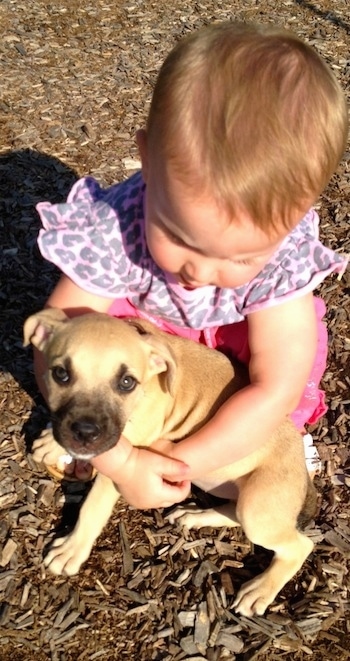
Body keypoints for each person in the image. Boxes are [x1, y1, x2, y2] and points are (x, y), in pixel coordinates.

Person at [33, 21, 348, 508]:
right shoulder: (116, 224)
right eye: (179, 237)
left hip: (234, 331)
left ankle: (267, 449)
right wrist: (112, 454)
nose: (199, 273)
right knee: (93, 339)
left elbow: (272, 389)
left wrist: (178, 463)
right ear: (147, 163)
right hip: (145, 323)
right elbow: (58, 337)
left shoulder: (280, 258)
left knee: (289, 373)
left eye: (241, 257)